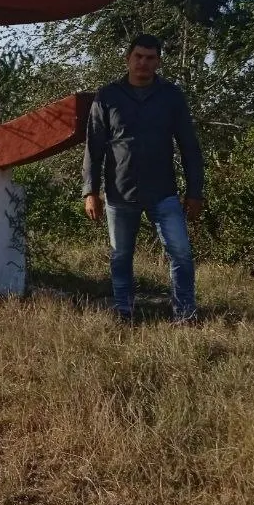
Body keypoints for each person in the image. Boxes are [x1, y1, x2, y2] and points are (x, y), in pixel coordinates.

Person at [81, 34, 205, 322]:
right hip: (119, 192)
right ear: (128, 59)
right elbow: (94, 147)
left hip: (164, 192)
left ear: (158, 61)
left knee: (181, 253)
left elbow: (189, 147)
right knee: (121, 256)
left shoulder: (171, 96)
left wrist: (195, 191)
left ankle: (185, 314)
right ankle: (124, 311)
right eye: (138, 56)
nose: (143, 63)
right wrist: (90, 191)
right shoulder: (108, 96)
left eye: (150, 58)